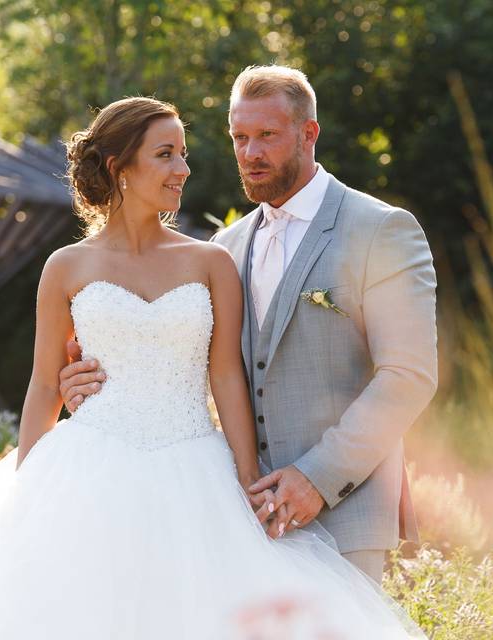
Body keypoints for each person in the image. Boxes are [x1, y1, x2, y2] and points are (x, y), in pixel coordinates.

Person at [0, 95, 425, 639]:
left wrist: (247, 480)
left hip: (196, 467)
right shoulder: (65, 267)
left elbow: (225, 377)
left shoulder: (212, 259)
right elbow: (46, 381)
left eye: (184, 154)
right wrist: (24, 492)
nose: (183, 169)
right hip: (89, 464)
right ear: (121, 167)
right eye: (166, 154)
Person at [58, 65, 438, 583]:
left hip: (346, 515)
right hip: (239, 514)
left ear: (309, 134)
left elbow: (408, 376)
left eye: (267, 136)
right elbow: (195, 366)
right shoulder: (224, 250)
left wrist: (316, 479)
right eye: (240, 137)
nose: (250, 153)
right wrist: (86, 380)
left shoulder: (380, 230)